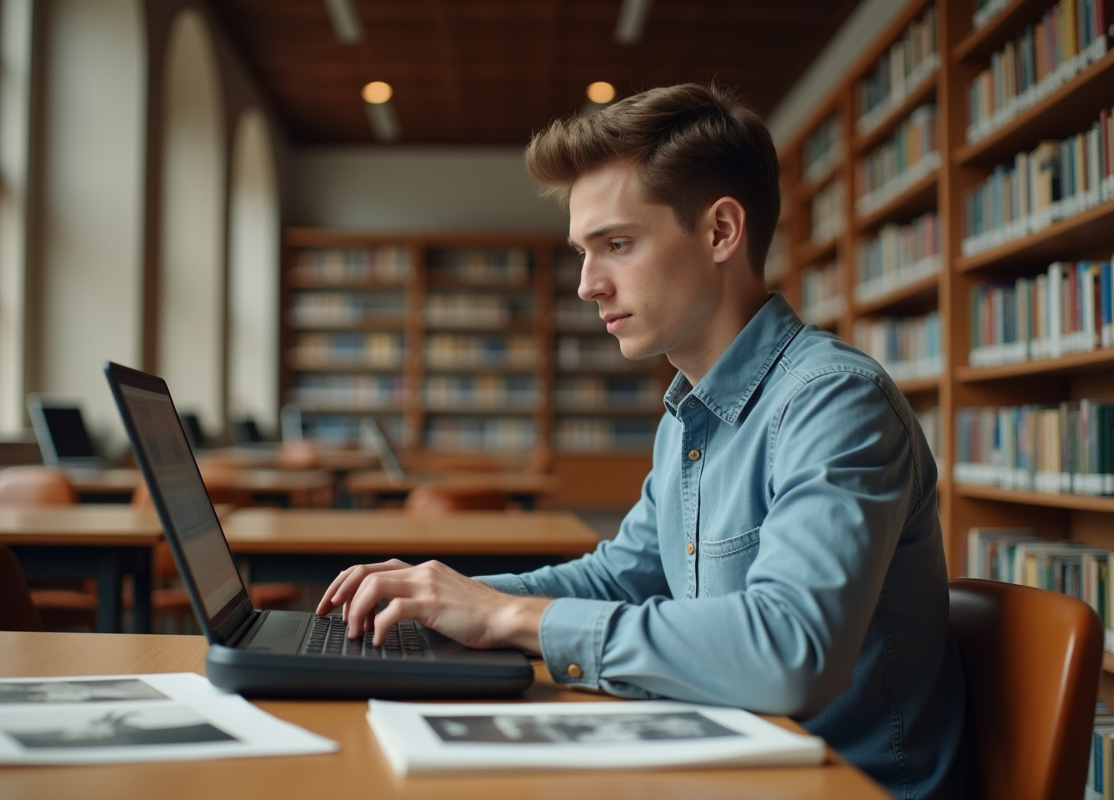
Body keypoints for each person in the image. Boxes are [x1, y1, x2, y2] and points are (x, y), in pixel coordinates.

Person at [317, 81, 964, 799]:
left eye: (616, 245)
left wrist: (507, 616)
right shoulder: (688, 416)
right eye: (582, 253)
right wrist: (444, 600)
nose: (587, 285)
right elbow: (620, 576)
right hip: (730, 763)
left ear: (721, 231)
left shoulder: (832, 403)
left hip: (842, 786)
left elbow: (791, 653)